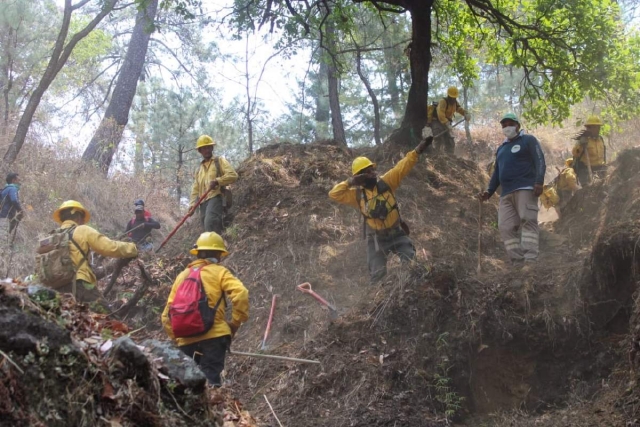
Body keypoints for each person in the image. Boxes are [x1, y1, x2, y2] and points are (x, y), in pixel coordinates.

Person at [328, 128, 434, 283]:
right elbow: (333, 194)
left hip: (397, 234)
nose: (372, 173)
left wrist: (420, 147)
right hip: (377, 240)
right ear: (359, 177)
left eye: (372, 170)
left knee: (412, 266)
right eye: (367, 172)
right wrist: (350, 182)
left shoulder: (386, 182)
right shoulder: (356, 195)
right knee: (377, 277)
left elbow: (404, 165)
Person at [161, 232, 249, 387]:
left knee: (186, 386)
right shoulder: (219, 271)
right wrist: (235, 323)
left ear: (198, 253)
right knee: (211, 383)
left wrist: (177, 338)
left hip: (186, 340)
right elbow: (241, 293)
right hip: (215, 337)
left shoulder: (182, 276)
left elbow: (166, 315)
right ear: (218, 254)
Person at [479, 113, 546, 264]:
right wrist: (489, 192)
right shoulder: (501, 149)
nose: (506, 127)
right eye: (503, 125)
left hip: (526, 188)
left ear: (517, 125)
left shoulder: (528, 140)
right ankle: (517, 260)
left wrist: (539, 181)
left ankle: (530, 259)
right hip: (506, 193)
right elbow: (497, 172)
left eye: (509, 124)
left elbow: (540, 160)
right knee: (505, 226)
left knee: (528, 219)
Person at [51, 200, 138, 302]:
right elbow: (109, 247)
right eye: (83, 218)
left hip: (56, 290)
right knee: (107, 317)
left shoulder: (52, 237)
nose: (83, 221)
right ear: (78, 216)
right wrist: (132, 248)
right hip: (80, 284)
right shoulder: (82, 230)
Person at [189, 135, 238, 233]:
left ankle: (215, 247)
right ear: (200, 151)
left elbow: (233, 175)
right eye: (204, 148)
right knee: (206, 227)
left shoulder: (219, 161)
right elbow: (196, 188)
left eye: (208, 147)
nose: (207, 150)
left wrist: (217, 181)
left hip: (216, 197)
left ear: (212, 148)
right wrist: (192, 205)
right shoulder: (199, 169)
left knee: (210, 223)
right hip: (203, 202)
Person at [428, 86, 470, 154]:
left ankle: (449, 157)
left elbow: (459, 109)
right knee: (438, 137)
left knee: (450, 141)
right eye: (452, 97)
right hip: (437, 121)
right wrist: (447, 123)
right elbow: (440, 114)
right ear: (448, 96)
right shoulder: (443, 101)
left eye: (454, 98)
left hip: (447, 123)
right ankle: (436, 155)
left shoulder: (455, 103)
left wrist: (466, 113)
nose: (453, 99)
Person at [572, 115, 606, 186]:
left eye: (599, 127)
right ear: (589, 128)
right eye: (596, 127)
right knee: (588, 190)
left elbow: (603, 155)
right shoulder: (584, 140)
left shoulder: (600, 139)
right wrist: (580, 144)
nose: (598, 129)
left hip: (600, 169)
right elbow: (575, 153)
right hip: (586, 171)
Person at [0, 172, 24, 245]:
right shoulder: (12, 188)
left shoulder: (4, 189)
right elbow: (14, 200)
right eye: (18, 179)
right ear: (13, 180)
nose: (19, 181)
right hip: (6, 217)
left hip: (2, 216)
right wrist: (20, 209)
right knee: (3, 241)